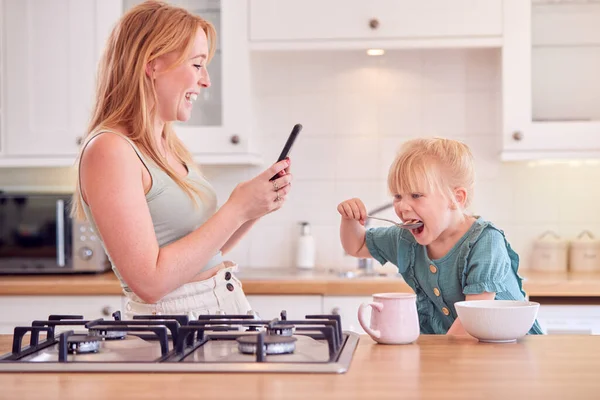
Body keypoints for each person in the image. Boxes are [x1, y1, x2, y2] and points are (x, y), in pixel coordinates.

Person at [71, 0, 292, 319]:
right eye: (197, 64)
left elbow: (202, 255)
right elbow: (149, 281)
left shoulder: (167, 146)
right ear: (153, 65)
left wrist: (253, 208)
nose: (206, 81)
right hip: (174, 325)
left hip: (215, 309)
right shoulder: (110, 150)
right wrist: (237, 207)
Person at [337, 137, 543, 336]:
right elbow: (357, 245)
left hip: (508, 353)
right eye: (398, 196)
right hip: (457, 351)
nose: (402, 206)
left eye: (416, 195)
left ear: (456, 198)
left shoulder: (485, 242)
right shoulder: (406, 239)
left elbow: (474, 318)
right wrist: (350, 220)